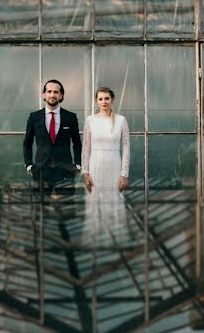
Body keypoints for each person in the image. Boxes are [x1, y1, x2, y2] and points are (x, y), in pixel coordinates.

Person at [81, 86, 130, 243]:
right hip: (95, 166)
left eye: (106, 98)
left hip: (114, 166)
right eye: (100, 99)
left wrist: (124, 173)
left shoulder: (121, 120)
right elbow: (86, 147)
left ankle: (114, 239)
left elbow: (126, 146)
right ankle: (95, 238)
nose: (104, 102)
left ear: (112, 99)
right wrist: (85, 171)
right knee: (95, 200)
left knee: (114, 199)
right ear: (96, 101)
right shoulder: (90, 120)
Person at [23, 79, 82, 194]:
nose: (52, 95)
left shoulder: (70, 117)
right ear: (44, 95)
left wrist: (78, 165)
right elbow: (27, 143)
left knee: (66, 207)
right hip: (41, 171)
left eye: (56, 92)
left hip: (65, 171)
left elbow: (77, 143)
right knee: (40, 209)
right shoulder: (34, 117)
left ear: (61, 96)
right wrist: (29, 165)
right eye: (49, 91)